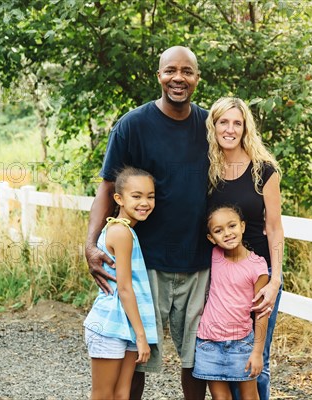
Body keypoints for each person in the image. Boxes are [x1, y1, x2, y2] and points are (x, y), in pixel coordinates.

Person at [84, 46, 211, 400]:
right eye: (171, 70)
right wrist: (91, 245)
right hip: (145, 262)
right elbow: (108, 187)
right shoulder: (133, 125)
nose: (179, 78)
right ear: (159, 76)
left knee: (195, 360)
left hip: (199, 261)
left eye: (188, 71)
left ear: (197, 78)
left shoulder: (209, 125)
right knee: (135, 357)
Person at [206, 97, 284, 400]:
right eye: (223, 122)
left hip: (258, 277)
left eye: (237, 122)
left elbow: (275, 227)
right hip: (221, 278)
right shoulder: (206, 170)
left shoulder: (264, 170)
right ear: (213, 126)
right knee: (223, 359)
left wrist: (275, 279)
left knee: (256, 361)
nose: (230, 129)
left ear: (245, 127)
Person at [83, 167, 158, 400]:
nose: (144, 202)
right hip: (110, 325)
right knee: (104, 395)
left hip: (125, 325)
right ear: (119, 198)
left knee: (122, 394)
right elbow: (124, 289)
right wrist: (142, 336)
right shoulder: (121, 232)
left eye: (150, 196)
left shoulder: (128, 232)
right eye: (136, 196)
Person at [193, 205, 270, 400]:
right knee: (220, 397)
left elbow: (261, 312)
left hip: (241, 343)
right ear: (211, 238)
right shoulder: (213, 256)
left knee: (249, 396)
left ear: (242, 226)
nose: (227, 233)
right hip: (208, 342)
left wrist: (257, 352)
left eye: (232, 226)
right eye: (218, 231)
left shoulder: (257, 266)